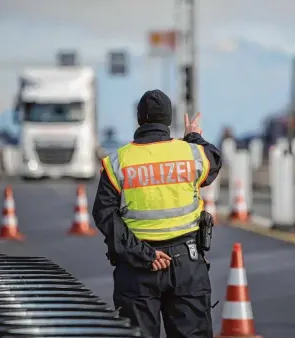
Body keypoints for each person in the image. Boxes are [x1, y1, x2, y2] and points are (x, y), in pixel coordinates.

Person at [92, 89, 222, 338]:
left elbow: (104, 215)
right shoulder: (192, 154)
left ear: (139, 119)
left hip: (137, 268)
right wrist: (193, 136)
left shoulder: (118, 162)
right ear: (168, 120)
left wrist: (144, 255)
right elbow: (214, 158)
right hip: (187, 264)